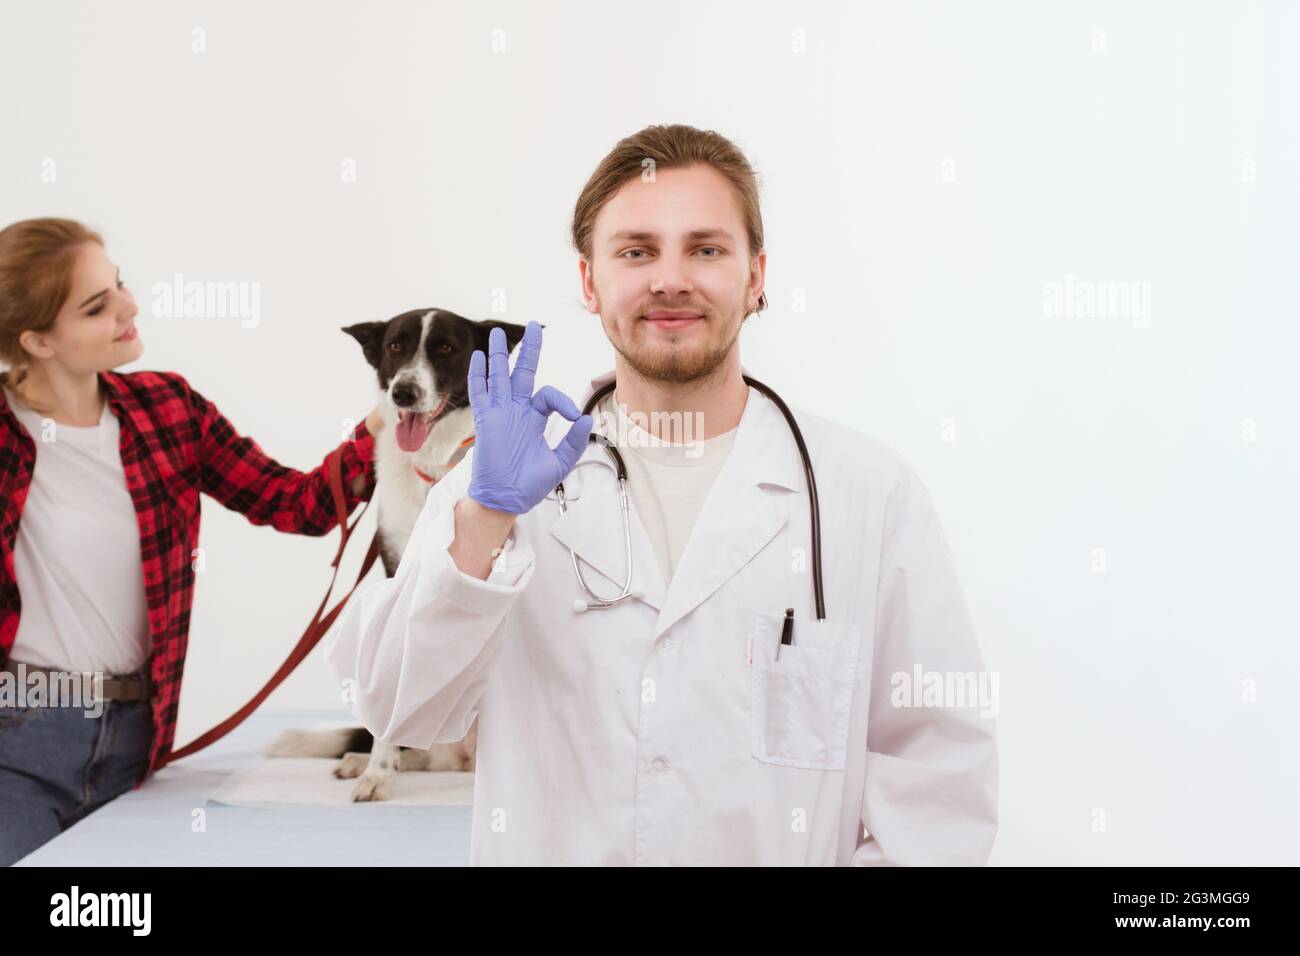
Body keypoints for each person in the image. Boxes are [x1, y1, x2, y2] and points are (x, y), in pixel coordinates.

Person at [325, 124, 998, 865]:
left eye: (705, 249)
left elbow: (938, 790)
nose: (669, 279)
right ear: (590, 280)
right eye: (636, 251)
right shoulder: (493, 489)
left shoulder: (867, 493)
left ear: (756, 276)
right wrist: (484, 521)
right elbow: (396, 706)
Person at [0, 218, 384, 866]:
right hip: (19, 741)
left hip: (134, 742)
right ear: (37, 339)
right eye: (97, 307)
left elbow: (300, 504)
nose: (129, 309)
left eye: (118, 285)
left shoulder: (168, 410)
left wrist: (381, 434)